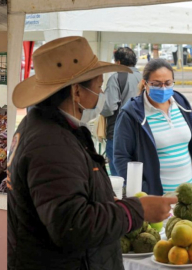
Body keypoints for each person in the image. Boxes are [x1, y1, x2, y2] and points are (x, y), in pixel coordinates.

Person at [7, 36, 177, 269]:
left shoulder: (52, 129)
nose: (101, 93)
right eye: (98, 86)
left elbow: (68, 195)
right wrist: (137, 209)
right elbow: (71, 224)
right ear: (77, 92)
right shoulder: (51, 144)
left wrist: (106, 200)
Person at [114, 59, 192, 202]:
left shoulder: (181, 103)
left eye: (168, 83)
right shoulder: (131, 114)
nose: (163, 88)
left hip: (190, 196)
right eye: (157, 84)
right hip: (157, 201)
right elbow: (121, 157)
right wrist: (143, 190)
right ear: (145, 83)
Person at [101, 47, 142, 176]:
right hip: (141, 131)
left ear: (118, 62)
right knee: (137, 172)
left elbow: (109, 107)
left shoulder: (116, 77)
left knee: (118, 174)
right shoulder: (144, 78)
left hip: (118, 132)